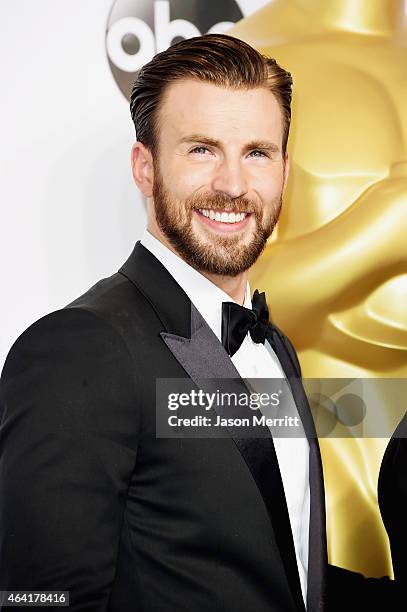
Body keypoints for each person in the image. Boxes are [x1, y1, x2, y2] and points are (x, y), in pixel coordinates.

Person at [0, 34, 326, 611]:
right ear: (145, 168)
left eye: (256, 152)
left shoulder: (274, 346)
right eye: (201, 149)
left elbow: (275, 573)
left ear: (284, 169)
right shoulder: (81, 348)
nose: (232, 185)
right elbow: (39, 598)